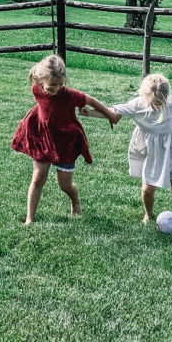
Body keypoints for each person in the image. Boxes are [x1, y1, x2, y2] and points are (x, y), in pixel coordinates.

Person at [11, 54, 119, 225]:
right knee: (38, 177)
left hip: (65, 142)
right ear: (41, 80)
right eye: (53, 84)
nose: (58, 87)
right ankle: (30, 218)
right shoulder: (36, 90)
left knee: (65, 185)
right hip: (43, 138)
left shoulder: (69, 95)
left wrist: (110, 114)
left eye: (61, 84)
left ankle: (75, 200)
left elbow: (90, 100)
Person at [111, 73, 172, 232]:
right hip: (153, 151)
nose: (157, 106)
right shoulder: (137, 105)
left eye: (160, 103)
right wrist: (91, 112)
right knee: (148, 189)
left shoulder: (171, 102)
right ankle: (149, 214)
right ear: (144, 95)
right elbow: (112, 111)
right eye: (154, 103)